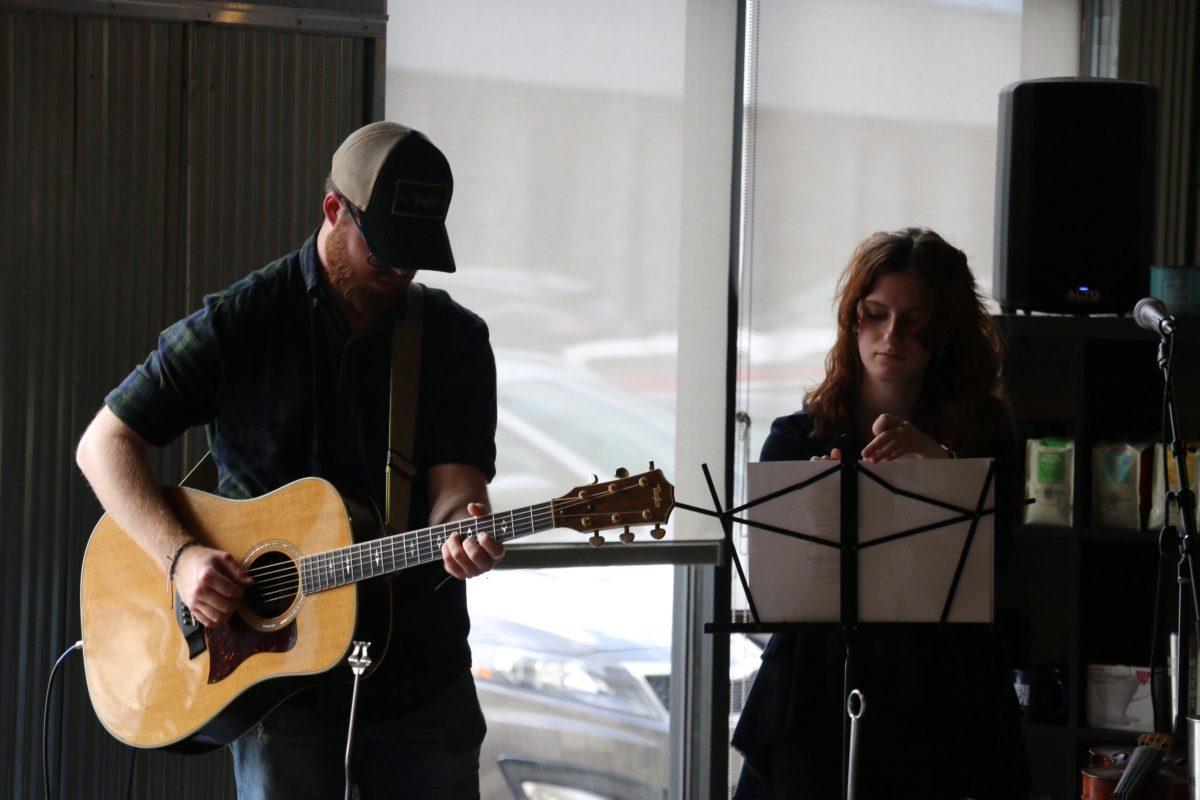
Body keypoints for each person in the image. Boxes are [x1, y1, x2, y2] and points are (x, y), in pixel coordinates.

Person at [75, 121, 503, 799]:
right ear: (335, 210)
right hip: (280, 685)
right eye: (383, 250)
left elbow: (456, 485)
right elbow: (104, 445)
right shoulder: (242, 322)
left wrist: (465, 523)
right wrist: (181, 558)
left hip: (423, 678)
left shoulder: (452, 339)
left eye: (414, 255)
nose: (399, 271)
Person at [731, 228, 1029, 799]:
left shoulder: (987, 438)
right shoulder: (796, 438)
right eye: (875, 314)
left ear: (944, 334)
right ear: (852, 320)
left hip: (942, 688)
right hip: (816, 687)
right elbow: (779, 595)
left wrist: (943, 469)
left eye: (915, 321)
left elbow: (1002, 569)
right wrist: (814, 506)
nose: (892, 336)